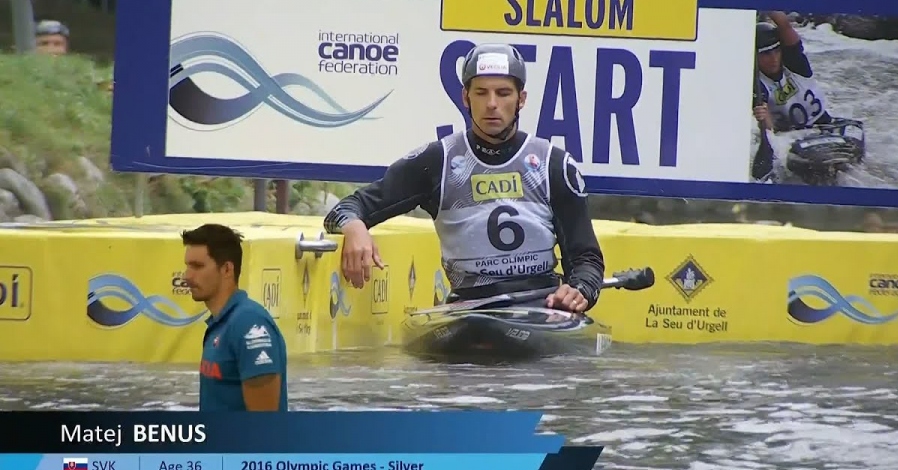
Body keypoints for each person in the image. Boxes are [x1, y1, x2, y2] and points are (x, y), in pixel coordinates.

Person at [323, 43, 605, 314]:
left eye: (503, 93)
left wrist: (580, 289)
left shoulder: (553, 165)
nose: (492, 104)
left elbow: (586, 259)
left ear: (521, 99)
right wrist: (354, 228)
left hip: (541, 304)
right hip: (470, 308)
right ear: (466, 97)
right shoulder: (437, 161)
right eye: (481, 92)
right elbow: (345, 209)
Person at [183, 224, 288, 411]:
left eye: (197, 267)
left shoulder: (249, 324)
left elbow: (264, 423)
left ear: (227, 270)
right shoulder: (220, 324)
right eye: (187, 266)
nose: (187, 276)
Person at [753, 12, 834, 133]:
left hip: (822, 124)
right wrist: (762, 117)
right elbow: (768, 128)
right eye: (766, 54)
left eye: (776, 51)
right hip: (791, 136)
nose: (774, 58)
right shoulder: (757, 83)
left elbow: (784, 24)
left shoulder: (796, 64)